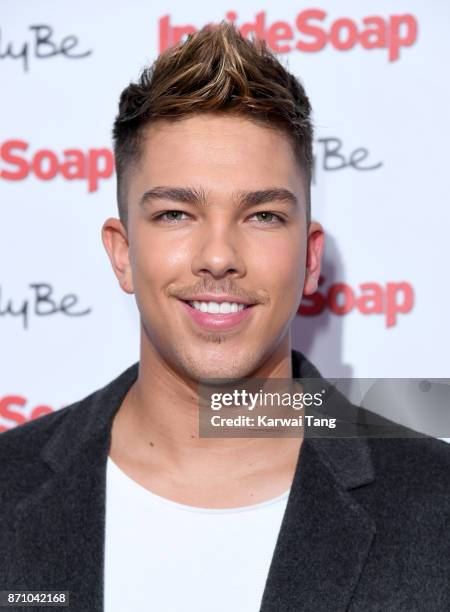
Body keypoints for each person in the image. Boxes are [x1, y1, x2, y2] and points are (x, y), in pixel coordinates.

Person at [0, 22, 449, 612]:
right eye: (175, 214)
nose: (218, 258)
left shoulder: (436, 506)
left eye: (262, 215)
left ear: (311, 258)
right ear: (122, 252)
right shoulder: (10, 488)